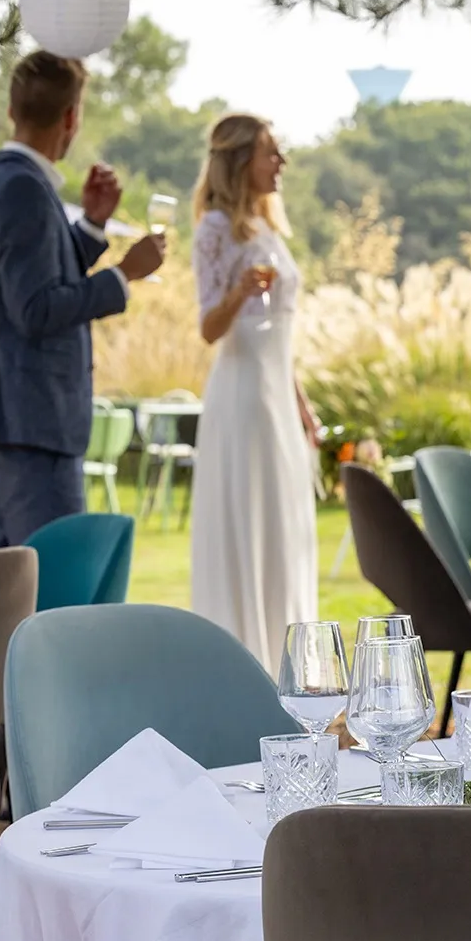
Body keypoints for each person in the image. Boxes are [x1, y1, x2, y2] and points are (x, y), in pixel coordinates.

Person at [0, 51, 165, 546]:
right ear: (71, 117)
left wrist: (91, 225)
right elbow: (35, 309)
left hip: (8, 417)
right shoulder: (24, 190)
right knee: (53, 590)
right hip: (35, 421)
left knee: (11, 590)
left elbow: (25, 280)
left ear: (13, 109)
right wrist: (123, 275)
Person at [188, 114, 319, 674]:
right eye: (270, 152)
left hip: (275, 397)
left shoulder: (267, 229)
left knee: (284, 528)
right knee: (249, 522)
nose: (280, 163)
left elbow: (279, 337)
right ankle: (245, 666)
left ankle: (292, 671)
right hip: (240, 398)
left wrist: (301, 401)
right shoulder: (214, 229)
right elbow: (209, 329)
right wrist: (239, 292)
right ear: (242, 161)